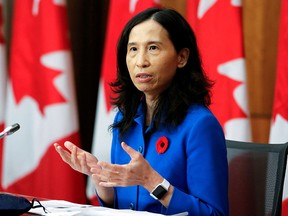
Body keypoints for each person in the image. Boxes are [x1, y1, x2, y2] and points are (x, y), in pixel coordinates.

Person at [54, 7, 229, 215]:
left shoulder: (200, 125)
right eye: (133, 49)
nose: (141, 61)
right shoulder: (125, 118)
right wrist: (101, 179)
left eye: (153, 48)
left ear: (181, 57)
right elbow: (124, 208)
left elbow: (215, 214)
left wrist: (152, 181)